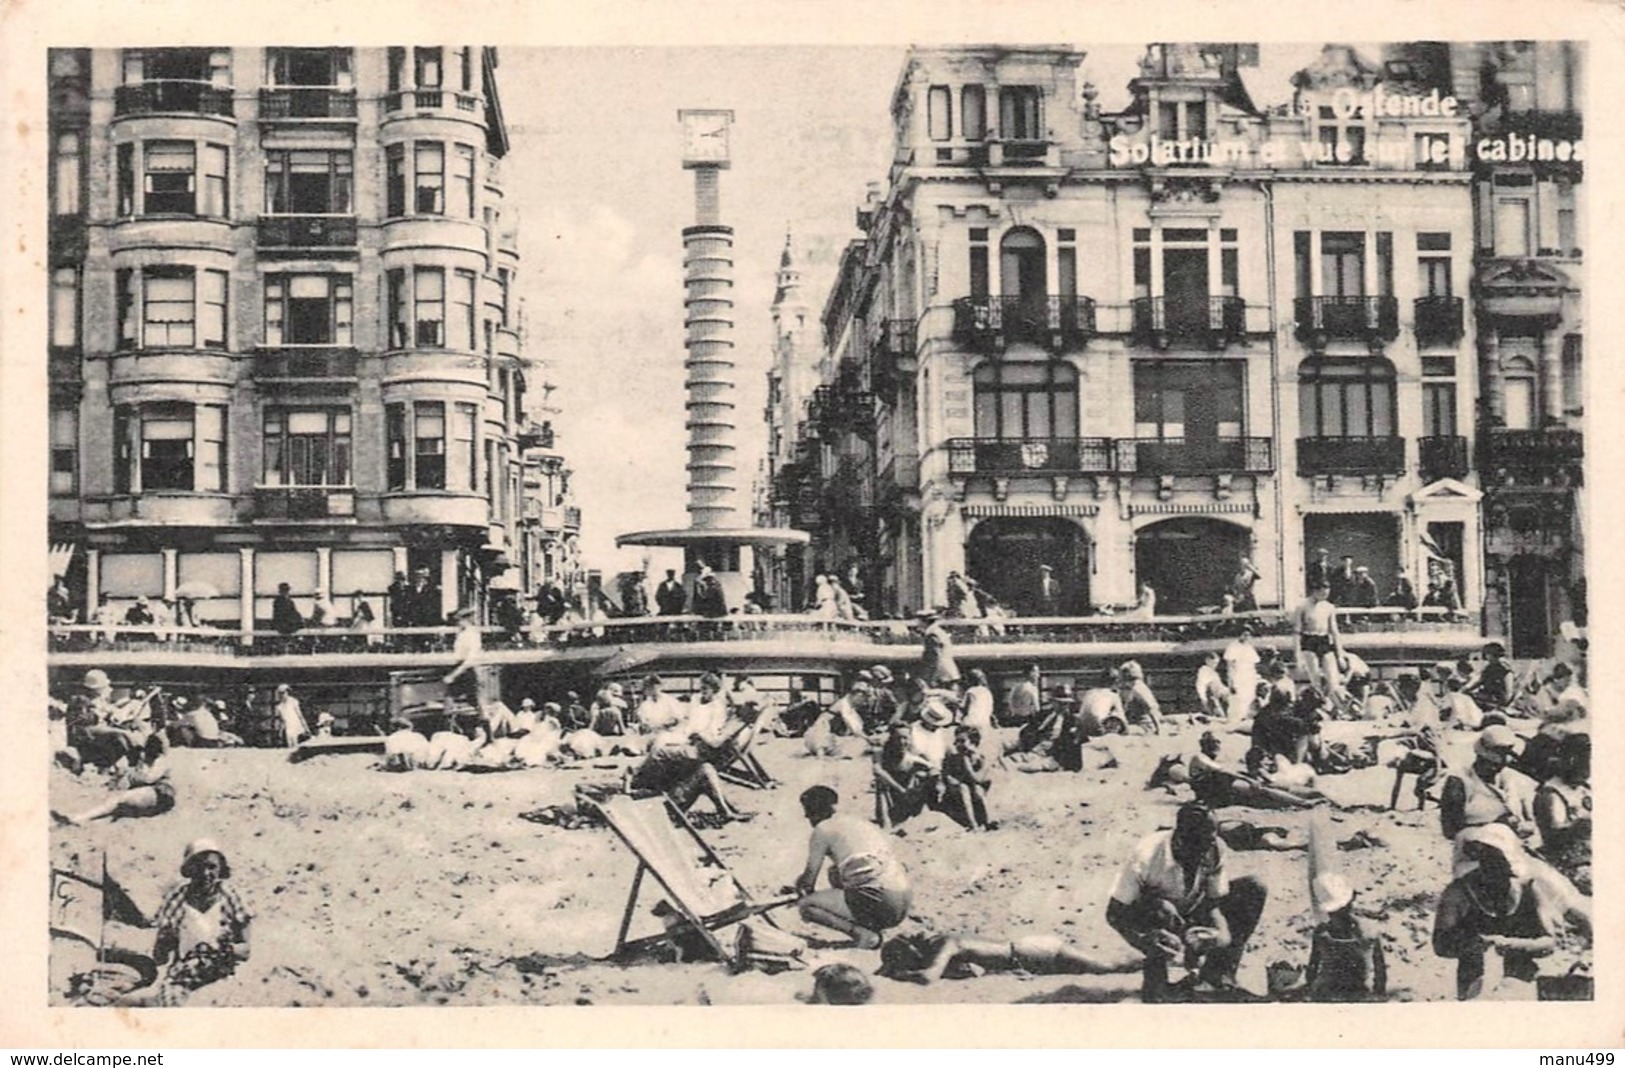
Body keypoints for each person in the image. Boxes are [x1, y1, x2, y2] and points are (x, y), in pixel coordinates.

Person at [1106, 801, 1268, 1001]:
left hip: (1191, 908)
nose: (1206, 851)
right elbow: (1114, 914)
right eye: (1200, 845)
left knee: (1253, 888)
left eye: (1211, 840)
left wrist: (1221, 935)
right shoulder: (1147, 855)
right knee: (1161, 908)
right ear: (1180, 840)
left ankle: (1217, 976)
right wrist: (1143, 941)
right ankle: (1158, 984)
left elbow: (1213, 902)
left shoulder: (1214, 848)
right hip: (1154, 919)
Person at [1433, 823, 1591, 1001]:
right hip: (1475, 983)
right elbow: (1440, 945)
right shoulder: (1458, 893)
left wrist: (1509, 944)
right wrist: (1476, 944)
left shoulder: (1529, 889)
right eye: (1487, 861)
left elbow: (1548, 943)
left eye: (1499, 863)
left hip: (1523, 983)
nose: (1493, 870)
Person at [124, 840, 253, 1006]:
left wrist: (223, 949)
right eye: (199, 867)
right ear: (190, 869)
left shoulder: (230, 896)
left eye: (212, 867)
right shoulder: (176, 899)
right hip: (184, 975)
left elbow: (246, 951)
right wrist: (164, 942)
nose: (206, 873)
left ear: (221, 868)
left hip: (222, 972)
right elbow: (160, 957)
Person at [788, 785, 912, 949]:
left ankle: (863, 934)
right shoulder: (859, 822)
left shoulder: (822, 829)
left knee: (807, 905)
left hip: (882, 903)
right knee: (834, 872)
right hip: (902, 901)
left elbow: (808, 882)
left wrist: (799, 888)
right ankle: (869, 923)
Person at [1440, 724, 1535, 877]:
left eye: (1502, 761)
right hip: (1473, 855)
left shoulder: (1512, 779)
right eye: (1492, 762)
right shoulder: (1460, 781)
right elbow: (1449, 829)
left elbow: (1530, 823)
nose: (1498, 766)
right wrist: (1492, 827)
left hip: (1513, 850)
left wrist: (1518, 826)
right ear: (1480, 756)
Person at [878, 929, 1142, 984]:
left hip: (1034, 953)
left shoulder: (948, 944)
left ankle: (1158, 960)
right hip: (1030, 952)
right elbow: (975, 970)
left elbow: (928, 977)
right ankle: (1152, 958)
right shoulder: (946, 943)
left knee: (1107, 967)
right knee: (1105, 965)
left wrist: (899, 974)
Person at [52, 733, 175, 825]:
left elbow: (148, 778)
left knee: (118, 800)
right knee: (117, 805)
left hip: (160, 793)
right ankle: (88, 818)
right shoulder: (152, 759)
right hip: (155, 794)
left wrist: (131, 774)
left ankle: (79, 818)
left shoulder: (161, 761)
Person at [1301, 873, 1387, 1002]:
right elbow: (1380, 974)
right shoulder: (1371, 931)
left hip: (1327, 994)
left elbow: (1312, 971)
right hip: (1359, 994)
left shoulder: (1322, 934)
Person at [1534, 733, 1591, 894]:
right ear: (1571, 760)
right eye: (1587, 762)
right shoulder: (1551, 794)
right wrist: (1580, 826)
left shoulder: (1583, 788)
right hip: (1569, 864)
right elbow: (1554, 840)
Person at [1292, 582, 1344, 694]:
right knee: (1316, 680)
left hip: (1324, 640)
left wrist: (1340, 655)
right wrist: (1298, 656)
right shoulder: (1302, 606)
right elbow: (1296, 633)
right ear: (1314, 591)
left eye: (1326, 594)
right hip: (1309, 640)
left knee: (1333, 679)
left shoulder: (1329, 607)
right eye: (1322, 593)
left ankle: (1334, 703)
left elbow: (1334, 631)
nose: (1324, 596)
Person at [939, 725, 993, 830]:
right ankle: (973, 825)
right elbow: (946, 775)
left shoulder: (981, 758)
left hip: (974, 791)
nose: (958, 744)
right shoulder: (954, 758)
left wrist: (973, 763)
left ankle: (987, 821)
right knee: (963, 788)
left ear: (973, 743)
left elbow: (981, 779)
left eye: (962, 741)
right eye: (957, 741)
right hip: (954, 793)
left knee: (977, 790)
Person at [441, 605, 483, 713]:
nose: (458, 623)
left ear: (466, 619)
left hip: (465, 669)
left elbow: (470, 659)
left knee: (474, 703)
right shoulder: (462, 633)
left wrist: (454, 675)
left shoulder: (472, 634)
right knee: (451, 700)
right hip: (460, 667)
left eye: (459, 620)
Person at [1222, 628, 1261, 720]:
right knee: (1238, 699)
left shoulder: (1248, 647)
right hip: (1238, 676)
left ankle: (1247, 718)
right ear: (1240, 635)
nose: (1246, 637)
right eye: (1244, 635)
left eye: (1248, 635)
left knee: (1249, 697)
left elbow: (1254, 663)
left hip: (1249, 676)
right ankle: (1236, 720)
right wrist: (1230, 681)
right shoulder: (1233, 646)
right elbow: (1230, 665)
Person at [1116, 661, 1161, 734]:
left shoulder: (1139, 688)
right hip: (1133, 723)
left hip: (1144, 726)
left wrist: (1159, 728)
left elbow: (1152, 708)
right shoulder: (1128, 688)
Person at [1195, 651, 1229, 719]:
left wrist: (1227, 691)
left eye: (1216, 663)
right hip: (1211, 697)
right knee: (1219, 717)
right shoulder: (1204, 671)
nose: (1215, 665)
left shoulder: (1213, 673)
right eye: (1213, 663)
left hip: (1219, 695)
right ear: (1207, 661)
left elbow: (1219, 685)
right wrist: (1203, 698)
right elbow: (1201, 685)